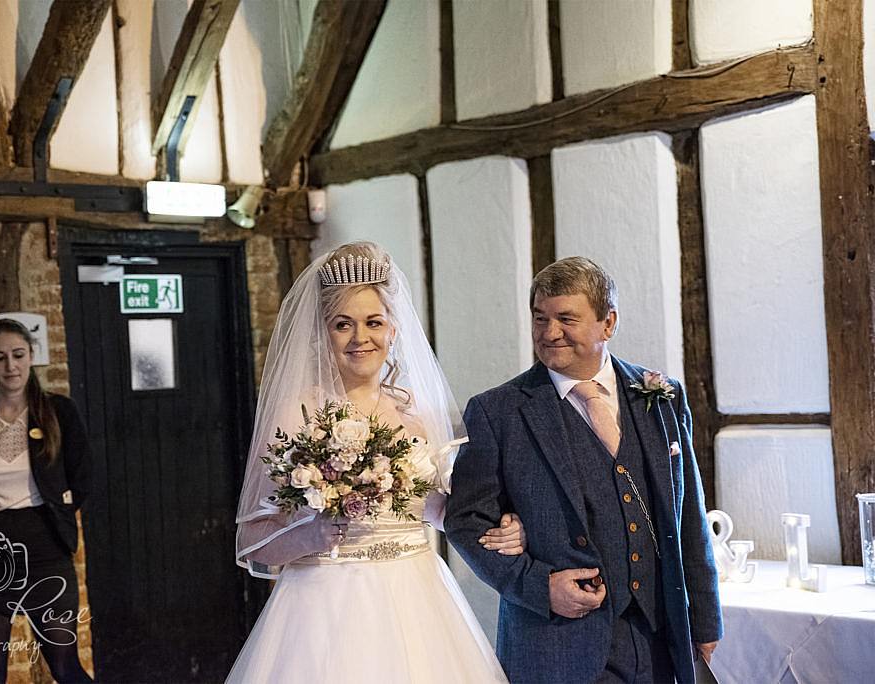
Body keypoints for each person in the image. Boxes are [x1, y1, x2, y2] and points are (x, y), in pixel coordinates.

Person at [227, 242, 523, 683]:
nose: (359, 337)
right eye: (342, 324)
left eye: (373, 322)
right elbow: (252, 539)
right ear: (322, 332)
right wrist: (310, 534)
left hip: (417, 596)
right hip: (322, 605)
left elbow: (443, 513)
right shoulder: (297, 416)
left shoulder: (416, 414)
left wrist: (498, 527)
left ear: (393, 331)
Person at [445, 256, 722, 683]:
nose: (549, 332)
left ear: (607, 323)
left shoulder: (662, 397)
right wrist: (539, 586)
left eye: (566, 319)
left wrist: (703, 620)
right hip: (555, 645)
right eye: (540, 318)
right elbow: (465, 521)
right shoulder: (497, 411)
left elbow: (688, 514)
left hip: (660, 637)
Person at [0, 318, 92, 683]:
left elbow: (84, 475)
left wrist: (62, 507)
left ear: (31, 357)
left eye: (18, 355)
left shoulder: (60, 411)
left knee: (65, 665)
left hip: (45, 548)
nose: (10, 366)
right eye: (0, 357)